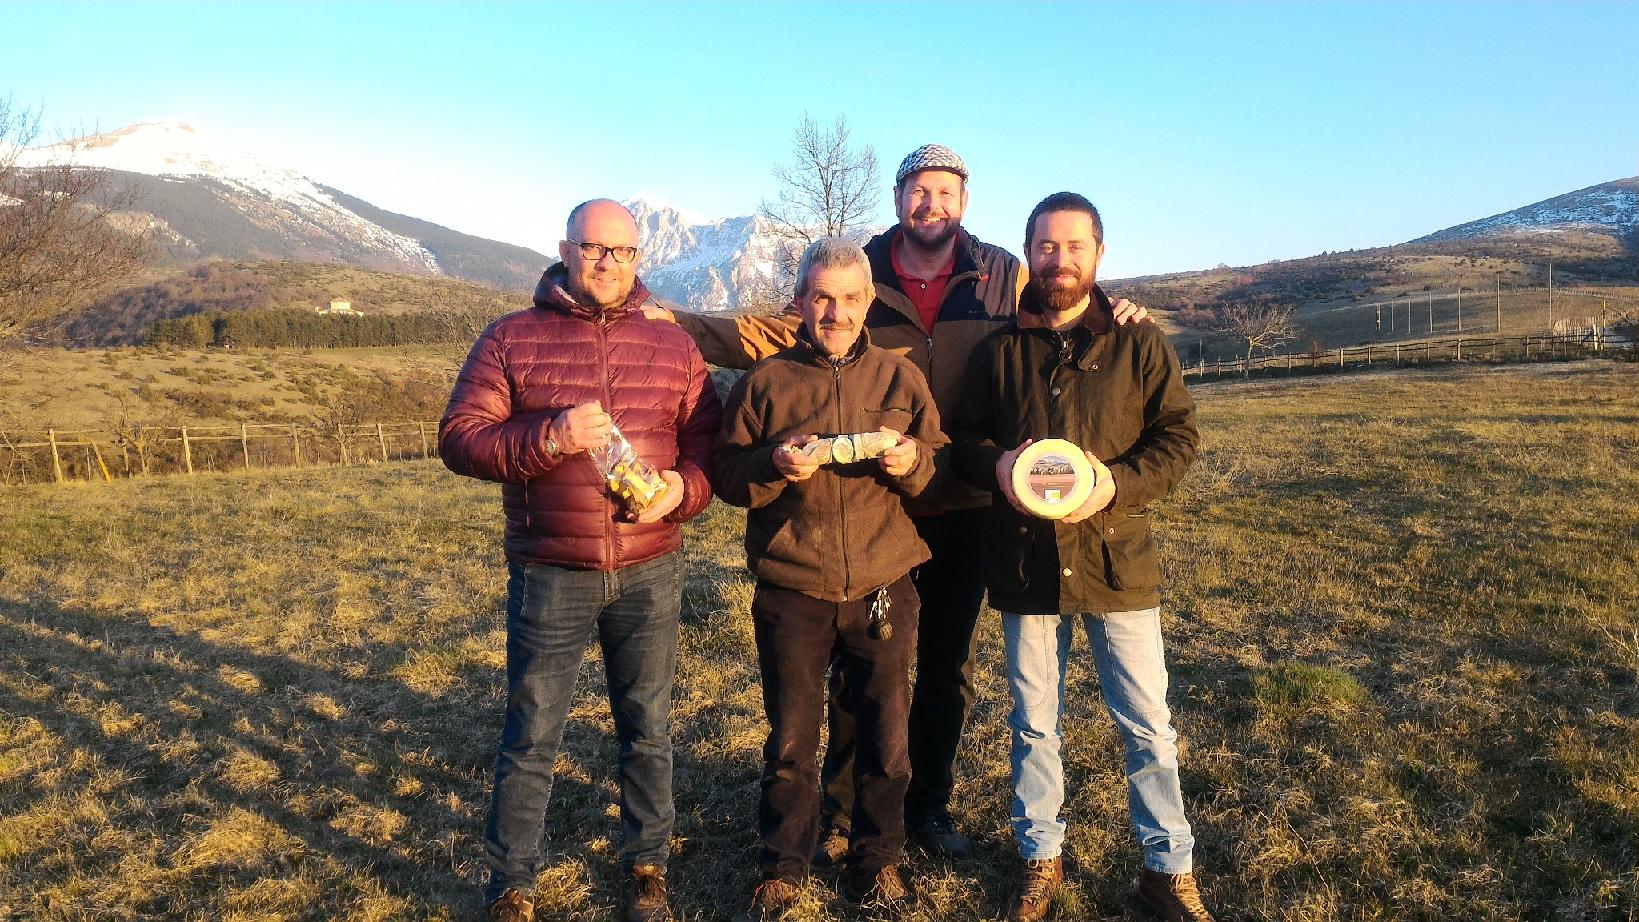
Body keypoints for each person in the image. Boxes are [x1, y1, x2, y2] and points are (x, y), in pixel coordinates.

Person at [649, 144, 1149, 861]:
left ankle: (927, 806)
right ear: (896, 198)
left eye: (944, 191)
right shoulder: (861, 270)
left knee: (943, 667)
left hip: (965, 496)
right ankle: (846, 810)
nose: (930, 204)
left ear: (963, 201)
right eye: (918, 190)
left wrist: (1112, 305)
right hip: (867, 504)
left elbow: (1060, 305)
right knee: (864, 668)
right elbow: (771, 331)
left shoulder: (1000, 272)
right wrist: (673, 323)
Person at [439, 199, 722, 922]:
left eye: (620, 252)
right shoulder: (511, 337)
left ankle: (648, 864)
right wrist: (551, 437)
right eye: (593, 249)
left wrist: (679, 494)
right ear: (565, 249)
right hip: (551, 567)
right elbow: (461, 439)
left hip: (649, 564)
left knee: (647, 723)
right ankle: (511, 882)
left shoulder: (674, 346)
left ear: (638, 260)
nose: (606, 263)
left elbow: (705, 450)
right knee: (533, 728)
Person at [949, 192, 1214, 922]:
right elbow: (962, 442)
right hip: (1027, 564)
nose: (1057, 259)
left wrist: (1115, 485)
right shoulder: (998, 352)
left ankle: (1166, 869)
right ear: (1026, 254)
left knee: (1147, 726)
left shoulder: (1137, 343)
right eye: (1044, 246)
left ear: (1099, 253)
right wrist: (999, 467)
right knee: (1034, 723)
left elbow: (1177, 438)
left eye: (1073, 246)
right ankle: (1040, 858)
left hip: (1116, 561)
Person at [712, 237, 947, 919]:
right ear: (801, 299)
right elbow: (728, 477)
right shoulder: (764, 382)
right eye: (821, 296)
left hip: (882, 581)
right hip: (792, 583)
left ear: (868, 300)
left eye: (848, 298)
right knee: (790, 738)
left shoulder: (901, 380)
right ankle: (782, 866)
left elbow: (937, 466)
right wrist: (769, 466)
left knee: (885, 735)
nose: (835, 311)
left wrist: (912, 466)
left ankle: (877, 860)